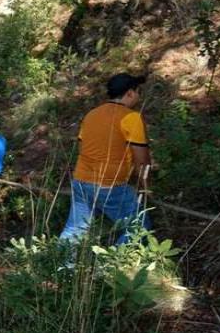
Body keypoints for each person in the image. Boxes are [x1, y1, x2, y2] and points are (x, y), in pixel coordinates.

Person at [60, 73, 152, 245]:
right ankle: (113, 269)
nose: (139, 97)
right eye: (138, 92)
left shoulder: (91, 115)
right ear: (130, 93)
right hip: (109, 185)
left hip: (81, 180)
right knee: (139, 226)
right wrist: (146, 188)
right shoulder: (131, 117)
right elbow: (142, 161)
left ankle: (60, 267)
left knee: (74, 229)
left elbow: (83, 148)